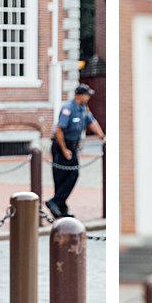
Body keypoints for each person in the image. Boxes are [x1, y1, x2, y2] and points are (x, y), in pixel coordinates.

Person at [47, 84, 105, 219]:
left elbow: (92, 123)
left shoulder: (83, 109)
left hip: (72, 147)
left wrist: (102, 136)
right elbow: (59, 130)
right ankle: (59, 205)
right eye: (86, 95)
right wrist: (64, 150)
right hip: (61, 146)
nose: (88, 97)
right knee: (62, 177)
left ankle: (58, 204)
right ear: (79, 95)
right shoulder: (68, 109)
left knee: (72, 175)